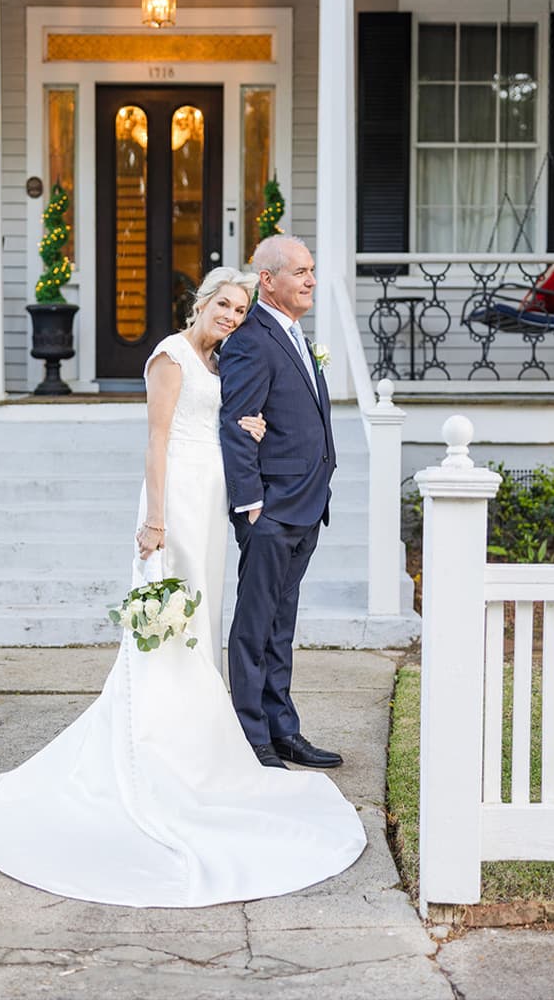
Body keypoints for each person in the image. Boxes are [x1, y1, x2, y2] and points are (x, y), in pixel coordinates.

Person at [0, 266, 366, 908]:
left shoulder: (223, 358)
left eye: (240, 309)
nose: (231, 316)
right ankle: (156, 741)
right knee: (169, 618)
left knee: (201, 619)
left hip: (211, 500)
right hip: (173, 500)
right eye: (223, 305)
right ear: (200, 304)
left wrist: (251, 427)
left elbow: (236, 417)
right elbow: (157, 436)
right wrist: (153, 517)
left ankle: (197, 737)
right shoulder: (171, 356)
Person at [219, 235, 341, 771]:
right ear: (267, 280)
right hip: (270, 509)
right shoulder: (252, 339)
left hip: (308, 503)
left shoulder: (293, 334)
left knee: (281, 625)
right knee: (254, 627)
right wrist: (251, 504)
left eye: (312, 270)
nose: (310, 280)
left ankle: (283, 728)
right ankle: (252, 735)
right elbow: (236, 425)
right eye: (299, 271)